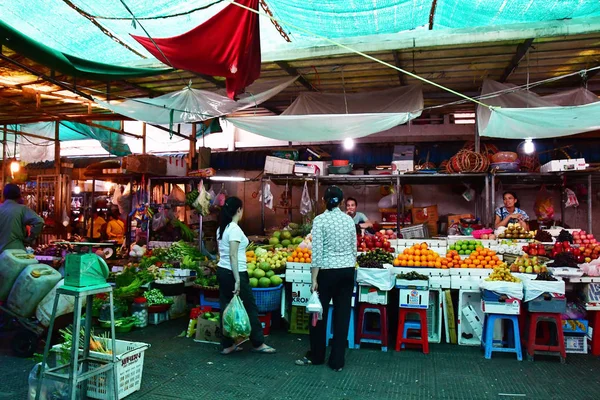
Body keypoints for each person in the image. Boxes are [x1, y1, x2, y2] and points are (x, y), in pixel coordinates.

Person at [296, 186, 357, 372]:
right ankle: (337, 361)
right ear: (341, 201)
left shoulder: (320, 220)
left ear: (324, 200)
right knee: (342, 315)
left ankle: (317, 356)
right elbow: (354, 248)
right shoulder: (348, 220)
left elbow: (317, 253)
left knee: (318, 314)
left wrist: (314, 278)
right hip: (347, 271)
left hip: (327, 272)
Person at [216, 197, 276, 355]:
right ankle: (258, 343)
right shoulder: (234, 229)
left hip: (222, 271)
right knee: (249, 306)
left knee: (226, 307)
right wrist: (237, 279)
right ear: (238, 210)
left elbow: (221, 253)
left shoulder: (221, 229)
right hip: (235, 273)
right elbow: (233, 255)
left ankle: (227, 344)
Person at [0, 184, 44, 254]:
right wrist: (29, 240)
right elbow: (39, 221)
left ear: (4, 195)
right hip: (16, 252)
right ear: (19, 195)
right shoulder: (22, 209)